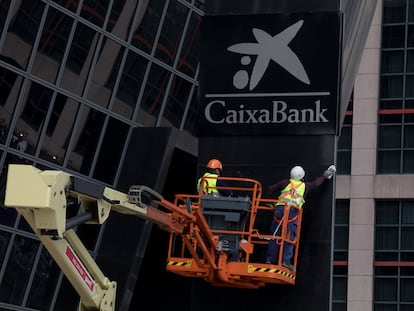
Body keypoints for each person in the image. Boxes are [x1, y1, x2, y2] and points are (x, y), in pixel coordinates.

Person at [265, 164, 336, 270]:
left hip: (279, 210)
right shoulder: (304, 186)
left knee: (275, 235)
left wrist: (269, 203)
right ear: (301, 175)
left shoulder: (285, 182)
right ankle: (286, 261)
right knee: (289, 237)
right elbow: (316, 183)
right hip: (292, 212)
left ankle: (269, 259)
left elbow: (271, 188)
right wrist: (325, 175)